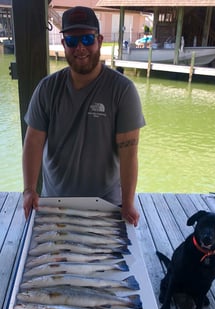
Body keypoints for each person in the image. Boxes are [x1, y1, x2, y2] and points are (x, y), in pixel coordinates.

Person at [22, 6, 145, 226]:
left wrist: (127, 202)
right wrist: (30, 190)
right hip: (54, 203)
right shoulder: (47, 89)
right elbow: (33, 142)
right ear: (63, 45)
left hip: (106, 204)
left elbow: (129, 152)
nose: (80, 48)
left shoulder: (123, 90)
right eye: (72, 41)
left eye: (87, 39)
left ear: (99, 40)